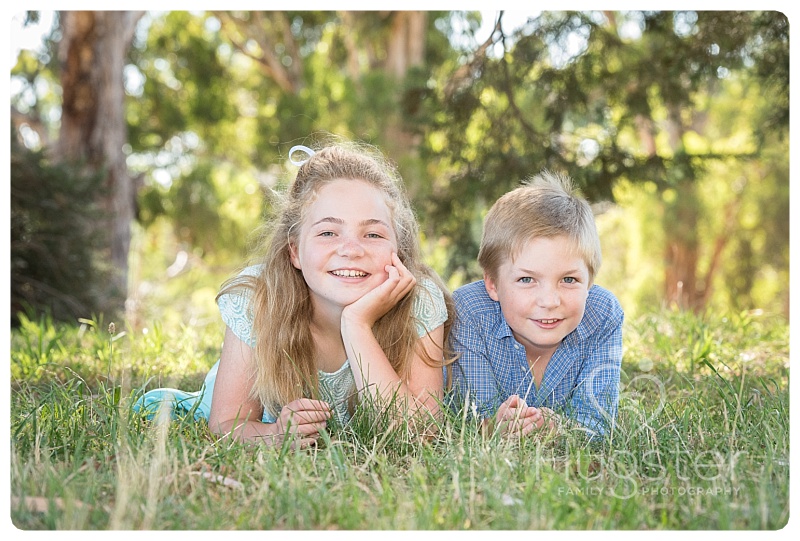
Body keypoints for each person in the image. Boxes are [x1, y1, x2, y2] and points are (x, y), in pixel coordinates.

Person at [134, 140, 453, 447]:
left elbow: (422, 433)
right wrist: (274, 434)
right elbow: (227, 425)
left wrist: (356, 325)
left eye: (373, 233)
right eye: (328, 232)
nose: (351, 250)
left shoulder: (419, 301)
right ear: (295, 251)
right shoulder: (260, 298)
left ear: (399, 247)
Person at [447, 170, 623, 439]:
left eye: (569, 279)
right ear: (493, 284)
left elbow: (598, 422)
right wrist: (494, 425)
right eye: (527, 279)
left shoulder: (602, 314)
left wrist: (561, 428)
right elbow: (466, 420)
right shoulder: (470, 312)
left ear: (589, 281)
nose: (550, 301)